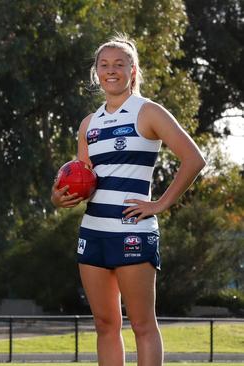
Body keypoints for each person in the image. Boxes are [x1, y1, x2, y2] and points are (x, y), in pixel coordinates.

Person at [51, 34, 205, 365]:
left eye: (119, 65)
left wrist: (160, 204)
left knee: (142, 325)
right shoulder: (88, 124)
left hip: (132, 231)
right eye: (104, 65)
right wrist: (60, 196)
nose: (111, 71)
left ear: (132, 70)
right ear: (96, 72)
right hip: (92, 233)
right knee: (105, 325)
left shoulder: (148, 112)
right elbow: (83, 179)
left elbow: (194, 159)